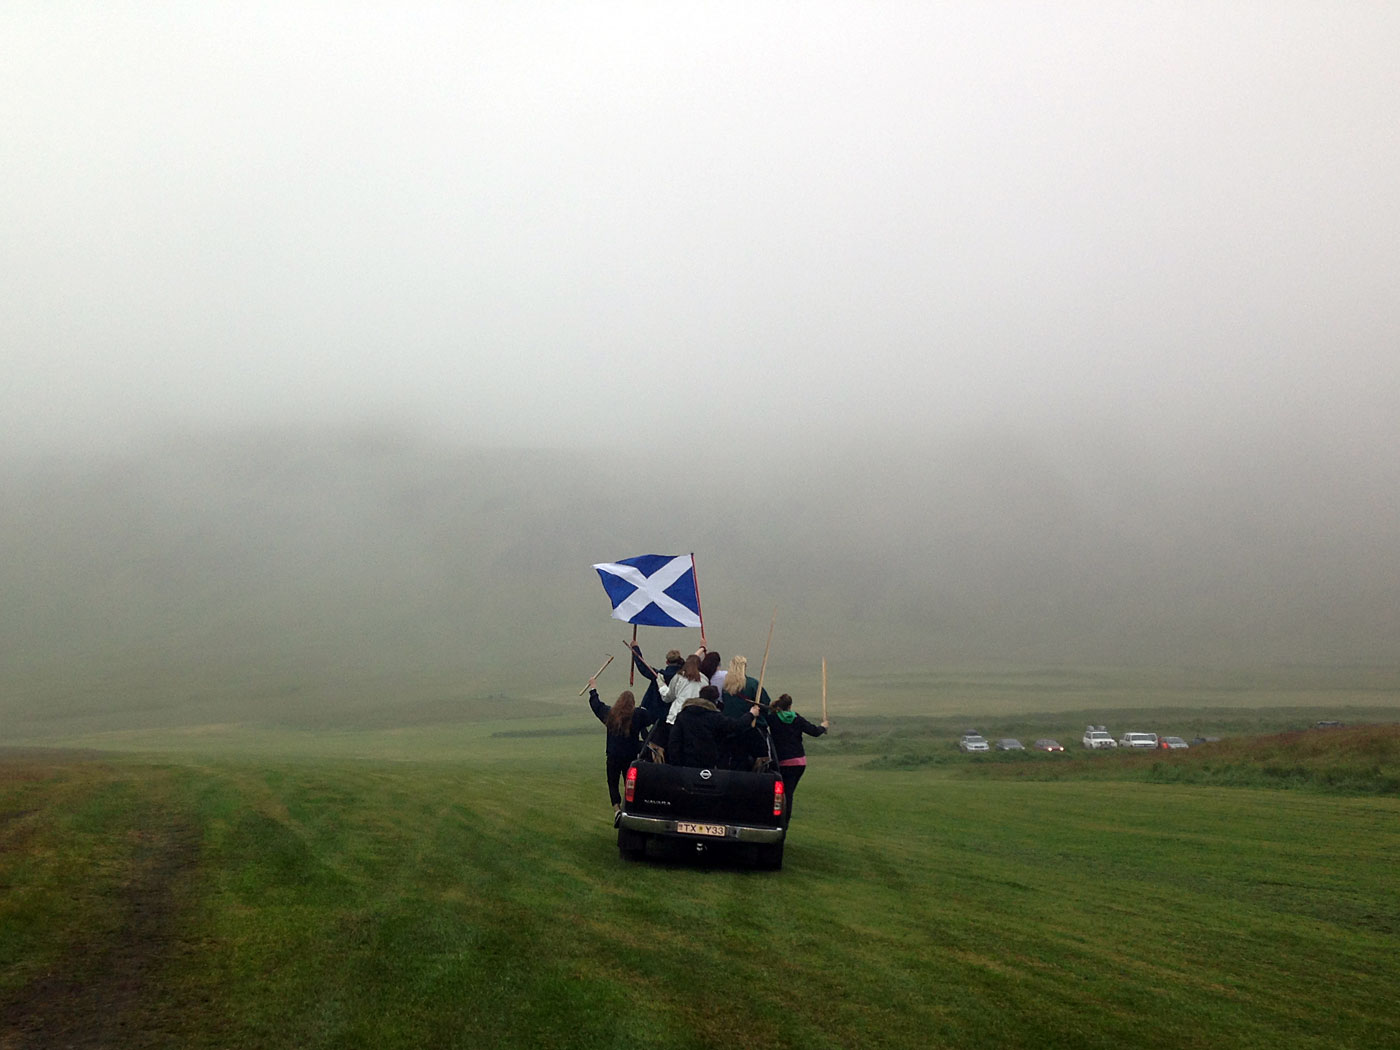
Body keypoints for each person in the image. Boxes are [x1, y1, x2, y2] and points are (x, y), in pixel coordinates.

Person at [586, 678, 657, 815]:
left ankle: (617, 809)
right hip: (630, 757)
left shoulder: (610, 714)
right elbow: (653, 717)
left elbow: (596, 705)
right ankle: (630, 809)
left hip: (612, 756)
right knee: (629, 784)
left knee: (612, 783)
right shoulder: (638, 715)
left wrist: (593, 688)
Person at [766, 693, 828, 818]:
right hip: (799, 762)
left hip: (782, 762)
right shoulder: (797, 718)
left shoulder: (772, 718)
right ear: (790, 706)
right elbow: (814, 732)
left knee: (781, 793)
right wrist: (823, 727)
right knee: (788, 793)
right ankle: (784, 821)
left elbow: (762, 718)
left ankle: (780, 820)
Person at [667, 685, 759, 769]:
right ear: (715, 700)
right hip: (708, 765)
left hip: (685, 764)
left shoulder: (683, 715)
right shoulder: (715, 717)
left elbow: (674, 741)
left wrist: (676, 764)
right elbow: (736, 726)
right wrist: (751, 714)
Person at [657, 653, 707, 723]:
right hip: (697, 718)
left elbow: (668, 697)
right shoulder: (705, 680)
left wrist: (662, 685)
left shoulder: (679, 677)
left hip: (677, 715)